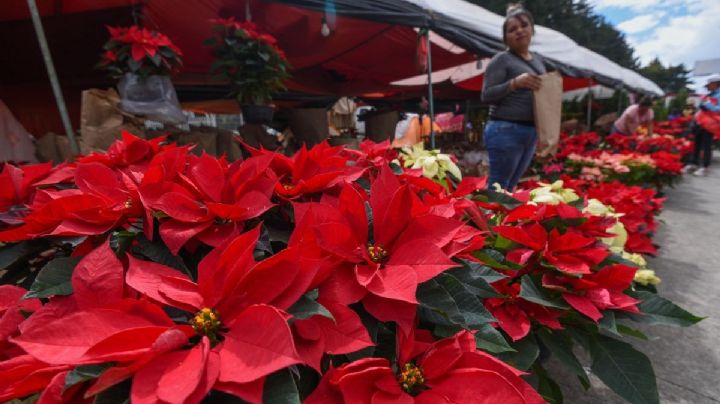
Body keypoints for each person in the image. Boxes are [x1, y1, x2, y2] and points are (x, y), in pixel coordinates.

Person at [481, 4, 548, 191]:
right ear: (506, 39)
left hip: (530, 130)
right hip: (505, 128)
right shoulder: (502, 60)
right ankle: (489, 220)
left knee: (510, 186)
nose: (519, 31)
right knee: (499, 185)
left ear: (532, 29)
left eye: (524, 25)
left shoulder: (539, 62)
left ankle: (501, 220)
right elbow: (486, 96)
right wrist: (514, 84)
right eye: (512, 30)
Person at [683, 74, 720, 176]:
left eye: (709, 84)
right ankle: (693, 163)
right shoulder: (709, 95)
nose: (707, 87)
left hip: (711, 124)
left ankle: (705, 167)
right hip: (701, 122)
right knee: (697, 143)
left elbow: (718, 109)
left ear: (715, 84)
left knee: (706, 145)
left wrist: (707, 105)